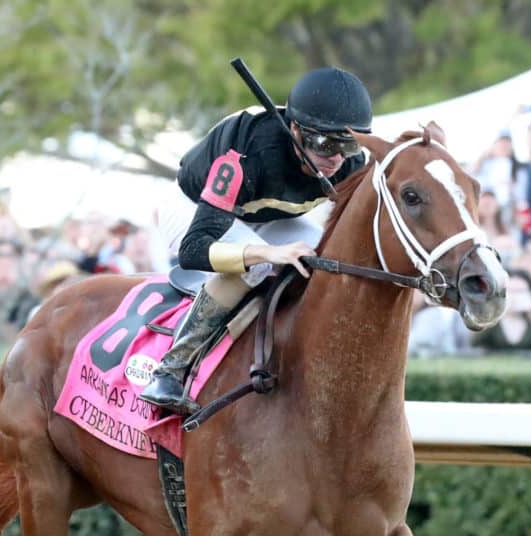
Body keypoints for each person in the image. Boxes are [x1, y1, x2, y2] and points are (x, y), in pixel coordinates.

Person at [141, 66, 371, 415]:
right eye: (325, 143)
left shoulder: (352, 163)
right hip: (191, 210)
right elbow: (194, 250)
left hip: (262, 214)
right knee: (261, 264)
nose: (336, 158)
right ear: (294, 129)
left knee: (324, 259)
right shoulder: (245, 154)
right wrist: (270, 252)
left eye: (348, 142)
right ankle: (170, 369)